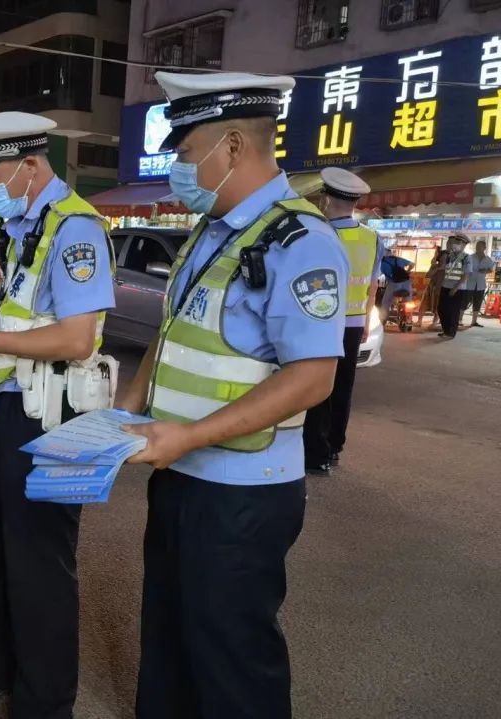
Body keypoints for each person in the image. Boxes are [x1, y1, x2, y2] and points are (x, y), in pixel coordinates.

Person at [114, 72, 348, 719]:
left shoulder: (300, 243)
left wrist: (185, 435)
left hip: (242, 495)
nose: (178, 172)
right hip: (179, 476)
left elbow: (313, 377)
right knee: (167, 639)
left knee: (231, 664)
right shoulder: (207, 233)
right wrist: (125, 411)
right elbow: (169, 334)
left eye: (186, 155)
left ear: (235, 146)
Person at [0, 112, 117, 719]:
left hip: (57, 418)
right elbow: (18, 319)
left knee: (41, 566)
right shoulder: (21, 228)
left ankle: (44, 701)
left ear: (31, 167)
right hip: (13, 407)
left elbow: (76, 339)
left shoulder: (75, 229)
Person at [302, 167, 380, 474]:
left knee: (317, 387)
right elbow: (372, 287)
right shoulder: (372, 239)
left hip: (322, 324)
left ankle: (315, 452)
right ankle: (334, 447)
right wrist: (364, 324)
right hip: (353, 324)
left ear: (325, 199)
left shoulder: (318, 234)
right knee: (343, 388)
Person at [437, 234, 470, 338]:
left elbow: (465, 276)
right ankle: (446, 330)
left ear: (464, 245)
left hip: (458, 289)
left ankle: (451, 332)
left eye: (458, 243)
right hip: (445, 286)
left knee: (453, 311)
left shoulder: (466, 258)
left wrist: (455, 288)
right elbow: (442, 269)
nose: (455, 244)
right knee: (441, 309)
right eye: (454, 242)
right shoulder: (449, 256)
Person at [462, 240, 494, 327]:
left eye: (480, 246)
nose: (478, 248)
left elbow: (491, 269)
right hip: (470, 283)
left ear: (484, 248)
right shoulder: (470, 257)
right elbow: (465, 268)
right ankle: (459, 320)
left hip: (480, 284)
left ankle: (474, 321)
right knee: (465, 301)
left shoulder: (488, 259)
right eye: (477, 246)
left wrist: (485, 270)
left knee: (477, 303)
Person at [380, 251, 415, 319]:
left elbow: (378, 274)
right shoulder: (398, 259)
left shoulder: (382, 263)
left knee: (385, 302)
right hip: (407, 283)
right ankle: (409, 319)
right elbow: (412, 264)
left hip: (394, 284)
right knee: (409, 301)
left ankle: (383, 319)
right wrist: (407, 271)